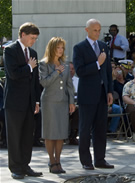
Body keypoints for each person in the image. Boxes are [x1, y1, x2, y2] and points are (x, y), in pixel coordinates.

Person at [73, 18, 114, 170]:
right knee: (85, 129)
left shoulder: (103, 46)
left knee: (101, 128)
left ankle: (100, 159)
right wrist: (97, 63)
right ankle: (86, 161)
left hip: (102, 94)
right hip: (87, 95)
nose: (97, 33)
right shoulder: (79, 48)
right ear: (87, 30)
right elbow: (80, 71)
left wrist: (109, 90)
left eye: (99, 30)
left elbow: (108, 72)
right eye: (94, 30)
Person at [3, 22, 42, 179]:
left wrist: (37, 101)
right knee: (15, 136)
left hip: (29, 102)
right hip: (14, 102)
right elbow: (13, 74)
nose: (33, 41)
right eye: (32, 38)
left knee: (27, 135)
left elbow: (35, 80)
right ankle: (16, 168)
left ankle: (25, 165)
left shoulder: (32, 52)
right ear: (23, 35)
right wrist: (29, 67)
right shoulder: (10, 51)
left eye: (35, 38)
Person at [39, 37, 75, 174]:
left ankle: (58, 161)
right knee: (50, 133)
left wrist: (71, 101)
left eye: (62, 48)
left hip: (63, 102)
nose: (60, 50)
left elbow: (69, 85)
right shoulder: (44, 64)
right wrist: (57, 72)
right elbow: (44, 83)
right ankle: (51, 160)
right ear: (52, 48)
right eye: (58, 47)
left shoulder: (65, 64)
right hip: (49, 102)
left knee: (60, 133)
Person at [68, 62, 79, 145]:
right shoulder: (60, 80)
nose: (71, 71)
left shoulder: (78, 81)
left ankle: (73, 136)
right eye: (69, 69)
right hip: (63, 107)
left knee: (79, 111)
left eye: (73, 69)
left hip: (76, 106)